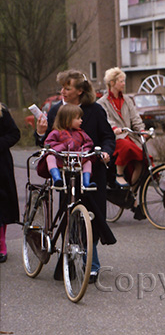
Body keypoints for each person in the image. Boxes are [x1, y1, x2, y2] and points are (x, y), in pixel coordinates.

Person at [36, 69, 116, 284]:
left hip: (92, 170)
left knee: (93, 216)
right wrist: (41, 132)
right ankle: (71, 260)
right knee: (68, 216)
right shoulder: (55, 111)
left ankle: (91, 261)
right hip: (66, 173)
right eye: (62, 87)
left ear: (80, 91)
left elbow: (108, 136)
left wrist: (105, 151)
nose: (62, 91)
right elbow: (46, 143)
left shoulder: (95, 111)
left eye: (67, 88)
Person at [97, 67, 146, 220]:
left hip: (130, 136)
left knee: (144, 160)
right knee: (125, 146)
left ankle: (132, 194)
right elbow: (106, 119)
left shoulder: (127, 100)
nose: (124, 84)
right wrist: (114, 129)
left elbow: (135, 118)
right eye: (121, 81)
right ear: (112, 83)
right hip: (116, 138)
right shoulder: (102, 102)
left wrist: (142, 130)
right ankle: (119, 174)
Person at [43, 104, 96, 189]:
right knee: (50, 157)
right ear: (68, 119)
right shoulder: (57, 132)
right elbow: (49, 144)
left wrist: (83, 150)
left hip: (77, 159)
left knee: (88, 162)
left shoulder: (81, 133)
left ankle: (86, 182)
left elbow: (89, 143)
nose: (81, 121)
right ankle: (57, 178)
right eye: (78, 118)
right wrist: (62, 146)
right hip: (61, 159)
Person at [0, 104, 21, 263]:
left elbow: (14, 134)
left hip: (1, 164)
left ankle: (1, 245)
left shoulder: (2, 112)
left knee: (1, 204)